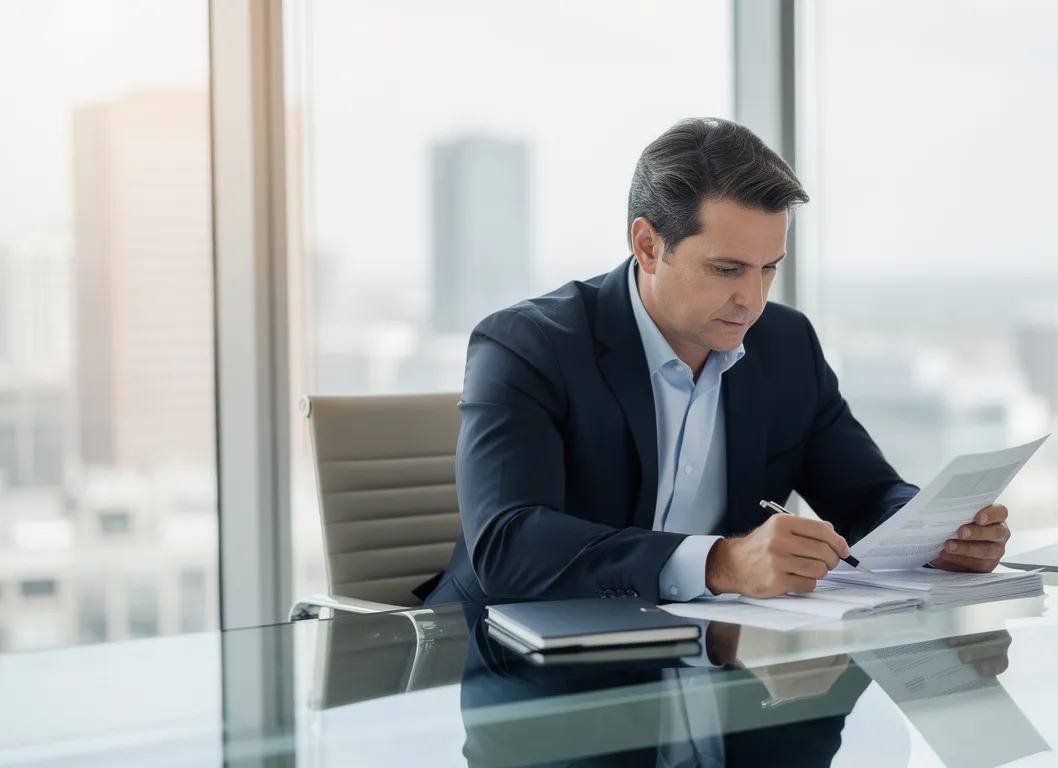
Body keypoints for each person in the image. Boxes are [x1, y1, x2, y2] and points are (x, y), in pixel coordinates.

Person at [417, 117, 1011, 606]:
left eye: (768, 268)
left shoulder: (785, 344)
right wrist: (721, 562)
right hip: (512, 663)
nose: (752, 300)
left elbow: (865, 496)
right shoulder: (526, 346)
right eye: (727, 270)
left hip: (706, 660)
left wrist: (935, 534)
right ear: (648, 246)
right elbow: (507, 546)